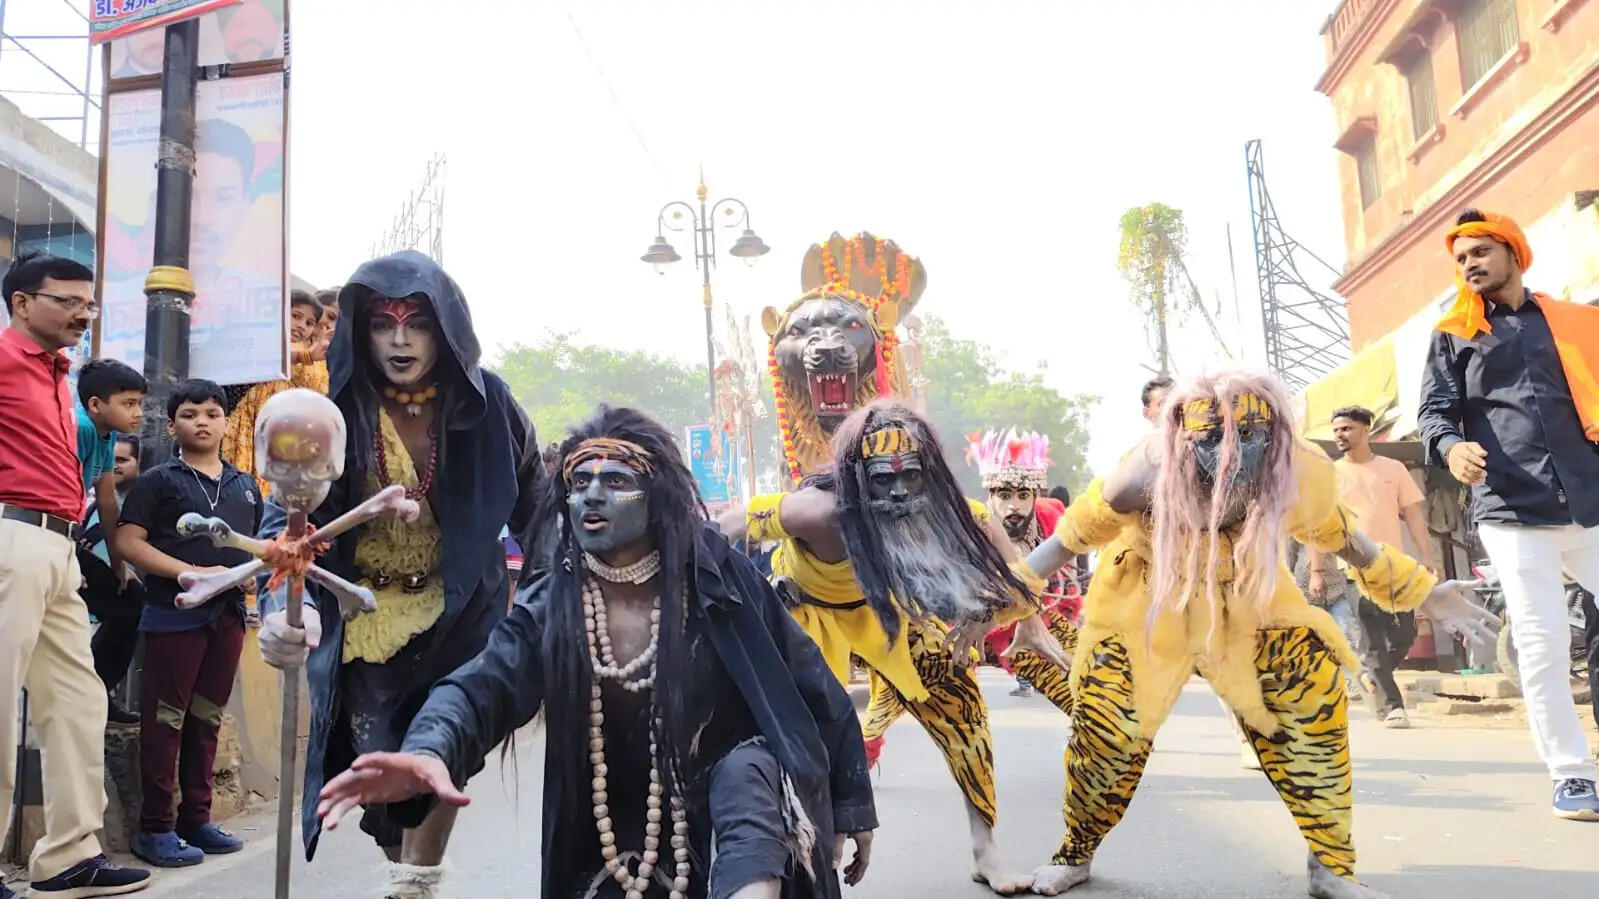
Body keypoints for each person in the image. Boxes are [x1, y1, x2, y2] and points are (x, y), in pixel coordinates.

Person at [312, 406, 877, 898]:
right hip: (607, 835)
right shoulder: (555, 601)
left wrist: (851, 807)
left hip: (725, 813)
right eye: (579, 481)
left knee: (748, 771)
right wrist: (430, 749)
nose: (592, 495)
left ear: (657, 497)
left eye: (616, 479)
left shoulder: (714, 580)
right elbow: (482, 684)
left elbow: (806, 680)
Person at [1024, 369, 1494, 897]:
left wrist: (1425, 592)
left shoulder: (1292, 473)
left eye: (1251, 437)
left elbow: (1352, 545)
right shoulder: (1139, 476)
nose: (1235, 453)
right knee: (1106, 734)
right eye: (1213, 439)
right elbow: (1063, 544)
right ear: (1183, 437)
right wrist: (1003, 601)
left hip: (1251, 604)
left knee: (1313, 702)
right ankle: (1076, 851)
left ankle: (1331, 867)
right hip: (1146, 603)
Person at [254, 251, 545, 898]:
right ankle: (403, 864)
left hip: (465, 613)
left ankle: (415, 880)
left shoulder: (490, 403)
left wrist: (544, 603)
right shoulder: (329, 409)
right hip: (367, 621)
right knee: (379, 770)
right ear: (361, 331)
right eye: (383, 324)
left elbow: (540, 505)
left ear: (446, 329)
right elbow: (287, 526)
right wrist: (281, 613)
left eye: (416, 322)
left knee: (447, 742)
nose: (400, 339)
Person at [719, 401, 1067, 895]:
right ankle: (787, 860)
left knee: (964, 714)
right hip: (806, 622)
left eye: (913, 477)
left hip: (893, 617)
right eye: (884, 480)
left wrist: (1002, 619)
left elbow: (1014, 574)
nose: (901, 492)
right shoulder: (816, 510)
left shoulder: (954, 512)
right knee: (792, 743)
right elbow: (725, 529)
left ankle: (986, 851)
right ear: (858, 478)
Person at [1418, 208, 1599, 821]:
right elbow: (1434, 414)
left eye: (1479, 252)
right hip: (1511, 509)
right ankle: (1571, 773)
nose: (1468, 264)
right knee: (1543, 644)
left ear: (1513, 253)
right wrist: (1452, 447)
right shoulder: (1453, 333)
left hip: (1590, 498)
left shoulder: (1571, 323)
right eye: (1461, 257)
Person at [1, 252, 151, 897]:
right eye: (66, 300)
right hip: (11, 536)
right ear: (21, 303)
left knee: (79, 700)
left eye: (88, 303)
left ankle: (68, 855)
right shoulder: (4, 362)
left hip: (59, 548)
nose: (81, 314)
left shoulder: (59, 377)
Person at [114, 379, 259, 867]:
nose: (202, 421)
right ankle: (154, 827)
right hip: (173, 617)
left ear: (226, 421)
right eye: (191, 413)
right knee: (165, 721)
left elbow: (252, 548)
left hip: (229, 618)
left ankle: (195, 820)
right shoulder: (159, 480)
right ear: (173, 423)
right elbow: (129, 543)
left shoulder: (246, 486)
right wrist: (189, 572)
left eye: (212, 413)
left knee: (207, 718)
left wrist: (251, 578)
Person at [1319, 405, 1432, 729]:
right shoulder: (1330, 475)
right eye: (1336, 429)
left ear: (1366, 430)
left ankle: (1371, 673)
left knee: (1405, 633)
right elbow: (1319, 525)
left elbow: (1413, 516)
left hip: (1397, 568)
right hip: (1355, 569)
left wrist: (1426, 556)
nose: (1339, 435)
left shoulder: (1394, 468)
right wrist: (1316, 571)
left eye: (1347, 429)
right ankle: (1393, 706)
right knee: (1371, 639)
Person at [966, 429, 1080, 710]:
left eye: (1023, 495)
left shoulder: (1050, 519)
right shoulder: (973, 523)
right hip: (969, 630)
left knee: (1090, 695)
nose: (1014, 505)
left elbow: (1069, 578)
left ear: (1034, 496)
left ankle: (1093, 743)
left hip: (1043, 622)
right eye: (1004, 495)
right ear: (990, 495)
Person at [222, 289, 331, 496]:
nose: (302, 325)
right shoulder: (263, 337)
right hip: (251, 420)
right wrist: (307, 356)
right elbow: (272, 354)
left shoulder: (317, 356)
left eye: (309, 323)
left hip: (288, 431)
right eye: (296, 316)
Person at [79, 434, 148, 725]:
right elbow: (92, 541)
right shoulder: (99, 503)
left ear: (138, 464)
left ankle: (98, 696)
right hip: (91, 587)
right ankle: (92, 695)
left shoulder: (142, 501)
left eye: (122, 460)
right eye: (112, 460)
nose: (115, 466)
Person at [75, 358, 146, 593]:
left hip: (62, 539)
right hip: (40, 535)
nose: (138, 413)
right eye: (128, 404)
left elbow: (107, 501)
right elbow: (58, 495)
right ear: (96, 405)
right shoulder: (80, 428)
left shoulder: (107, 435)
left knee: (129, 595)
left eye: (139, 403)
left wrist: (119, 564)